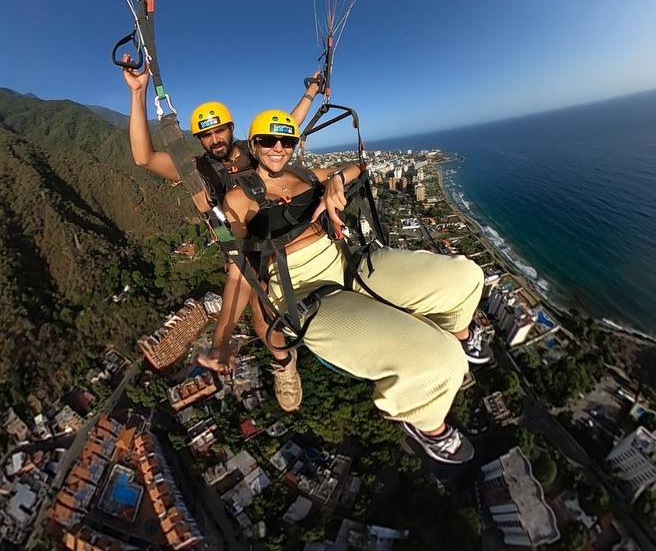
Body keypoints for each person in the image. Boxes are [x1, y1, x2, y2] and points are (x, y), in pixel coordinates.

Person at [201, 108, 492, 465]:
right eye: (267, 141)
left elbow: (361, 167)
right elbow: (238, 274)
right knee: (442, 362)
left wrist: (336, 178)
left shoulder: (306, 174)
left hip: (346, 262)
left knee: (467, 276)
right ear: (253, 144)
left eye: (286, 141)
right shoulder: (238, 200)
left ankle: (460, 331)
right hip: (303, 290)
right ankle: (427, 423)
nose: (278, 148)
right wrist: (221, 340)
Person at [121, 60, 324, 412]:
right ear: (199, 139)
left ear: (231, 129)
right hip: (249, 246)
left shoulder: (254, 149)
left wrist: (309, 93)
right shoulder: (196, 171)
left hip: (288, 230)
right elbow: (144, 157)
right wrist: (138, 93)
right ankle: (284, 364)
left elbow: (288, 124)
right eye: (206, 134)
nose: (214, 139)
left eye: (219, 131)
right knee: (265, 325)